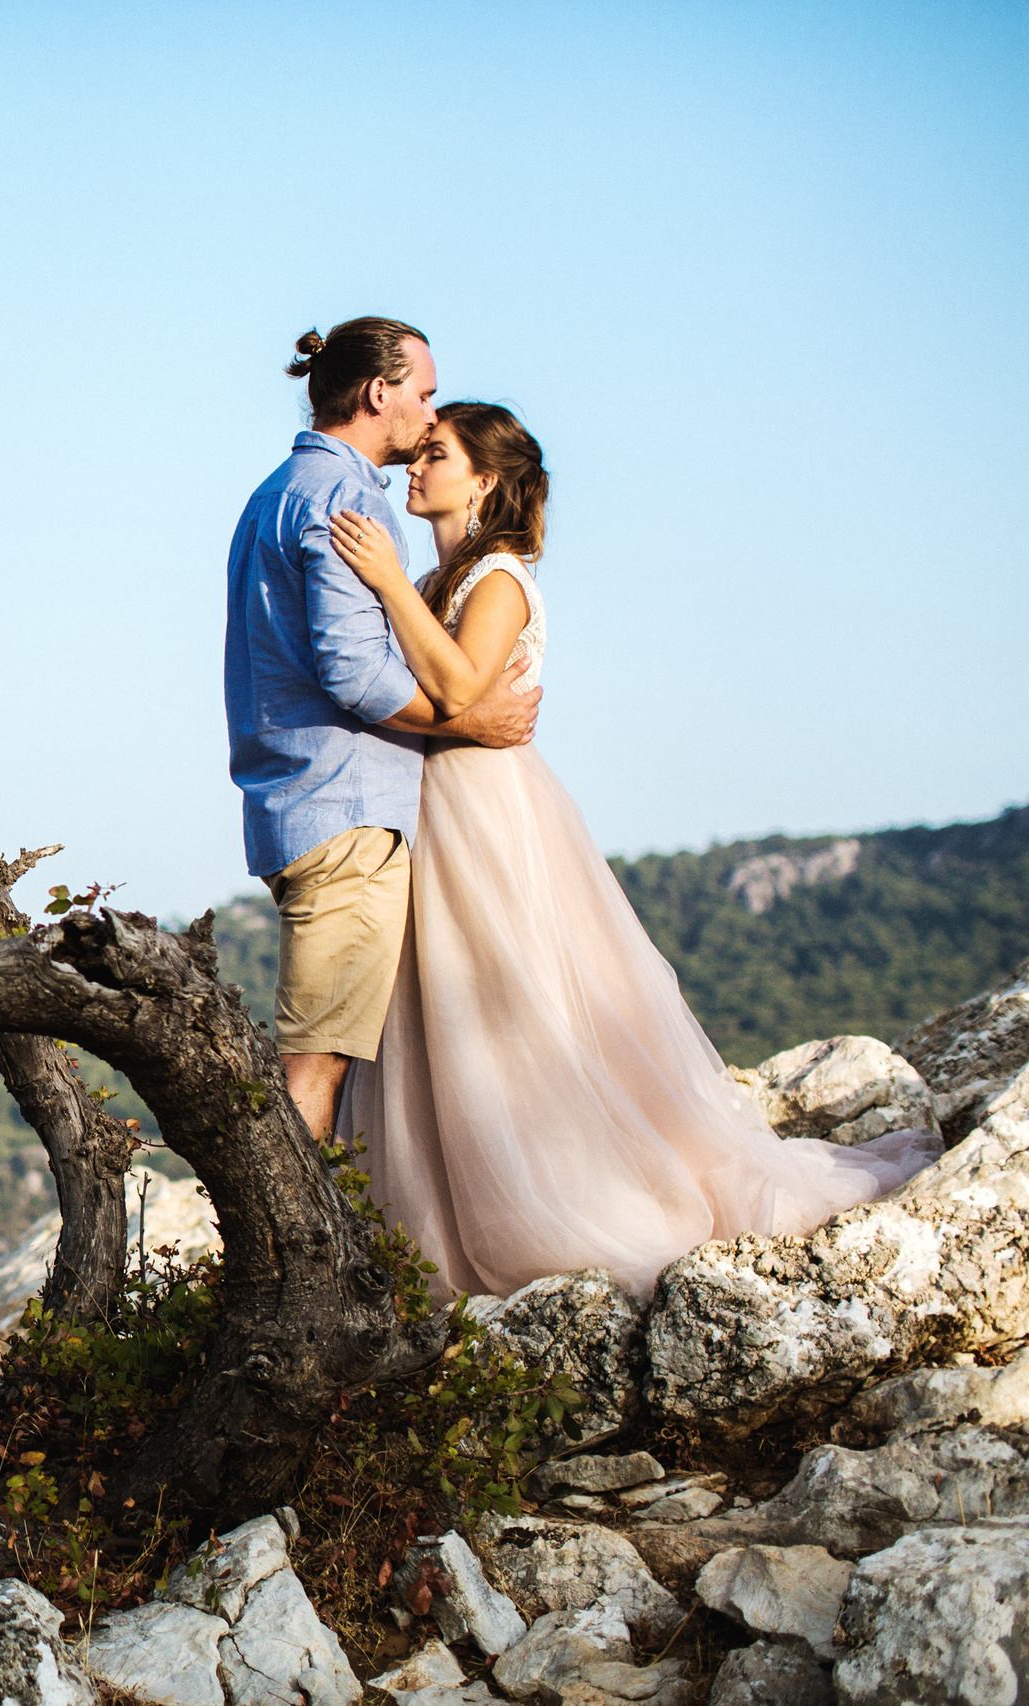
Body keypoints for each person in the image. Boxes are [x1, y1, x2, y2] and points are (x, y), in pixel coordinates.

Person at [328, 403, 938, 1301]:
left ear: (484, 480)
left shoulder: (496, 577)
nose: (415, 467)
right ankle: (441, 1221)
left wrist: (382, 581)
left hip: (486, 813)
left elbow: (458, 686)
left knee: (511, 1001)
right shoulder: (437, 579)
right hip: (436, 809)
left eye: (436, 455)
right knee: (436, 1012)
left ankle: (557, 1197)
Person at [222, 318, 540, 1144]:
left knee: (328, 1054)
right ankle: (294, 1265)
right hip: (348, 807)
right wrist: (473, 719)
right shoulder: (348, 498)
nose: (431, 418)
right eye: (425, 395)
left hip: (293, 799)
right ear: (378, 393)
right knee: (317, 1062)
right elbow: (356, 673)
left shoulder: (275, 492)